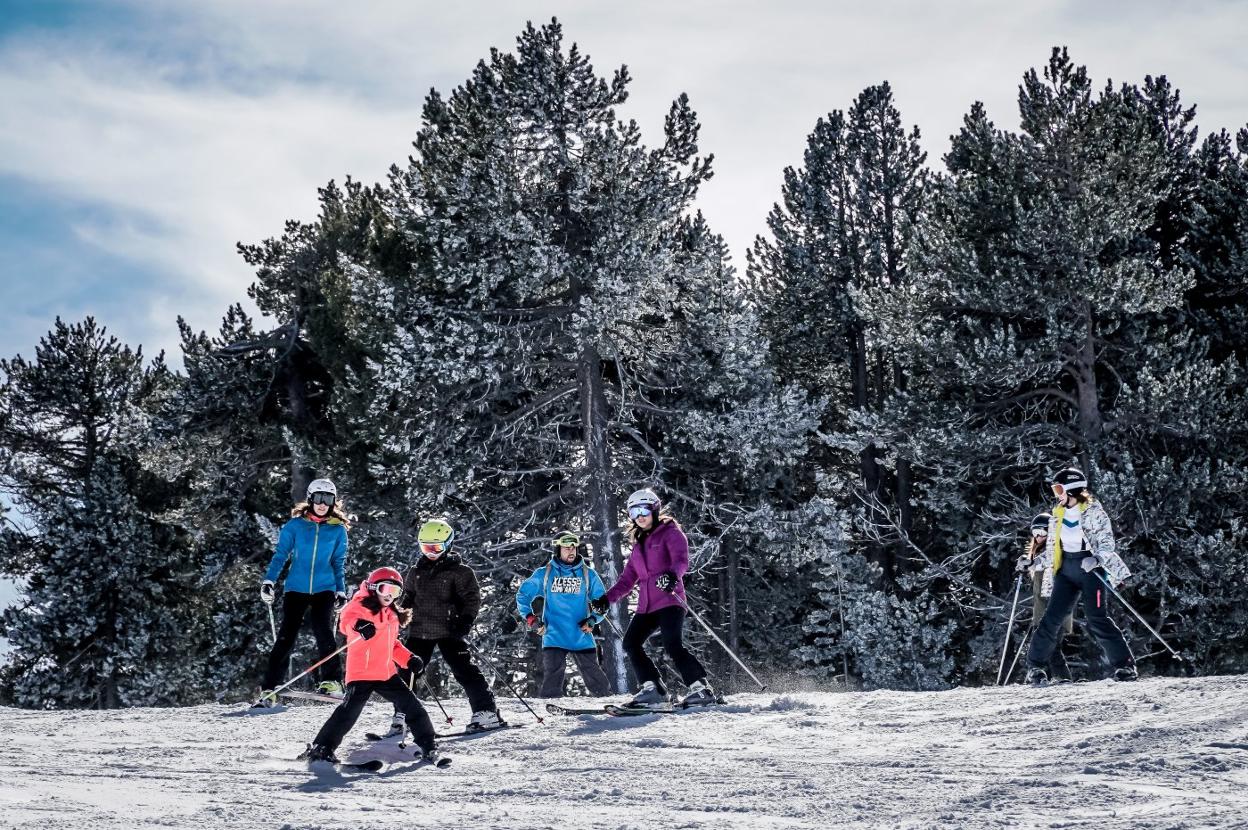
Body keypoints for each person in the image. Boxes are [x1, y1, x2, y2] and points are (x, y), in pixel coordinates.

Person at [298, 566, 441, 766]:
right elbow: (346, 620)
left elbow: (393, 645)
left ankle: (428, 744)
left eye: (395, 592)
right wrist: (359, 626)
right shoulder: (359, 605)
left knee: (412, 706)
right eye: (385, 590)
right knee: (348, 713)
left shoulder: (391, 614)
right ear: (374, 588)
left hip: (386, 674)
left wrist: (409, 659)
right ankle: (322, 748)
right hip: (361, 673)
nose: (390, 596)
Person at [379, 518, 503, 736]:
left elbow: (472, 598)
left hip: (449, 630)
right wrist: (395, 616)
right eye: (426, 547)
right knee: (408, 672)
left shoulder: (460, 572)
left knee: (464, 670)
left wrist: (465, 620)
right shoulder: (415, 571)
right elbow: (407, 598)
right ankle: (402, 716)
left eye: (436, 548)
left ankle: (486, 712)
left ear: (448, 545)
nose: (431, 552)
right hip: (419, 630)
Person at [596, 488, 716, 708]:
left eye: (643, 510)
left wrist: (672, 576)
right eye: (633, 513)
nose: (639, 516)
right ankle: (654, 689)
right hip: (647, 606)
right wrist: (606, 599)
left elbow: (680, 561)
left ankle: (701, 688)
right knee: (631, 643)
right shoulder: (638, 545)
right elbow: (626, 581)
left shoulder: (671, 533)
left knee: (672, 645)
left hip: (670, 600)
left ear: (654, 509)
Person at [1026, 468, 1136, 685]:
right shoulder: (1057, 514)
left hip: (1089, 570)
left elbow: (1107, 544)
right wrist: (1033, 561)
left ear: (1072, 489)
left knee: (1097, 618)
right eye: (1055, 489)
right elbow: (1052, 549)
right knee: (1051, 618)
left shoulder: (1094, 512)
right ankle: (1036, 668)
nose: (1057, 494)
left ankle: (1125, 666)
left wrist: (1095, 559)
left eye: (1059, 489)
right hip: (1066, 570)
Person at [256, 479, 349, 705]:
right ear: (310, 499)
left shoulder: (338, 531)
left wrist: (341, 591)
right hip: (296, 588)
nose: (322, 504)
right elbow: (281, 555)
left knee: (323, 631)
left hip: (324, 589)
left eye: (327, 499)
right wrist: (269, 581)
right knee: (286, 636)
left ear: (333, 502)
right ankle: (270, 688)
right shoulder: (295, 526)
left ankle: (332, 682)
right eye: (318, 498)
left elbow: (338, 563)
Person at [516, 531, 612, 698]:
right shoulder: (545, 573)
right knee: (551, 684)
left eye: (574, 547)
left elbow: (602, 602)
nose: (571, 551)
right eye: (567, 548)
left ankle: (609, 708)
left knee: (599, 684)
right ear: (558, 549)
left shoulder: (588, 574)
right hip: (554, 635)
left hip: (581, 635)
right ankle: (550, 714)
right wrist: (531, 619)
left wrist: (593, 620)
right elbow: (523, 595)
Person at [1018, 512, 1073, 683]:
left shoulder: (1055, 554)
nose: (1038, 537)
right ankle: (1054, 678)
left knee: (1051, 647)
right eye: (1035, 533)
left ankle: (1057, 677)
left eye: (1042, 533)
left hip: (1056, 610)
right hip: (1041, 612)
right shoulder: (1035, 556)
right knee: (1050, 648)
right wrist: (1024, 565)